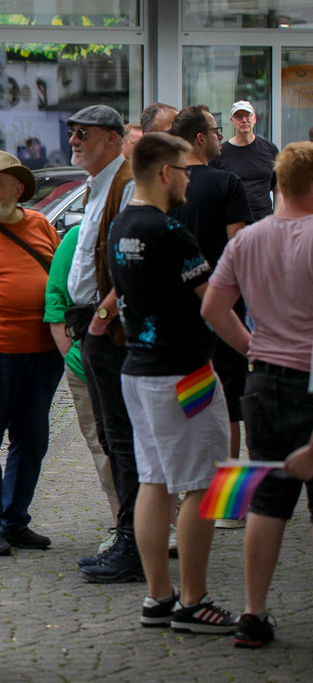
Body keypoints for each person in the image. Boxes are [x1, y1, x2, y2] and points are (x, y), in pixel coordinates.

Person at [109, 132, 237, 634]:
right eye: (185, 171)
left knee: (155, 481)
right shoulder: (169, 230)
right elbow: (214, 303)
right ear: (165, 173)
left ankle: (159, 597)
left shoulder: (121, 224)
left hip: (138, 372)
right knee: (206, 484)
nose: (189, 180)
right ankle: (194, 601)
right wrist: (255, 350)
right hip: (185, 374)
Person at [201, 141, 313, 649]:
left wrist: (254, 349)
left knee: (266, 499)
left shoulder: (249, 239)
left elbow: (213, 309)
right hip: (308, 380)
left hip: (264, 380)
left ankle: (253, 613)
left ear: (279, 184)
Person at [0, 150, 64, 556]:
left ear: (18, 189)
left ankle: (14, 519)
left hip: (44, 353)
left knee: (32, 440)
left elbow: (60, 276)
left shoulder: (40, 225)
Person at [63, 105, 144, 583]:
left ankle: (134, 544)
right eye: (72, 133)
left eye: (84, 133)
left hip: (111, 329)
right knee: (113, 439)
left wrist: (101, 317)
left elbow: (133, 263)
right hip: (94, 326)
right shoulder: (99, 184)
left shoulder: (127, 183)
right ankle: (128, 535)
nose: (74, 140)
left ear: (112, 139)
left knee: (123, 438)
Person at [169, 106, 253, 519]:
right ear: (201, 138)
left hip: (174, 313)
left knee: (185, 403)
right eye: (216, 131)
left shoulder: (164, 185)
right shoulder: (227, 183)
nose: (221, 137)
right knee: (229, 406)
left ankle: (184, 498)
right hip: (223, 309)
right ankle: (228, 506)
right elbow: (240, 250)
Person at [44, 222, 120, 549]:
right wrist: (73, 353)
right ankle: (124, 525)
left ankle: (166, 520)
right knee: (105, 447)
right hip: (91, 366)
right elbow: (56, 298)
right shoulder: (79, 236)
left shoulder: (154, 229)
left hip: (147, 366)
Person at [210, 101, 279, 221]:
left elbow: (279, 190)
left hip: (264, 222)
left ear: (254, 119)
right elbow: (213, 193)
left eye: (248, 116)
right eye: (239, 116)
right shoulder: (220, 153)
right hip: (233, 223)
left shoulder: (270, 150)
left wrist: (276, 219)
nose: (244, 120)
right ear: (232, 121)